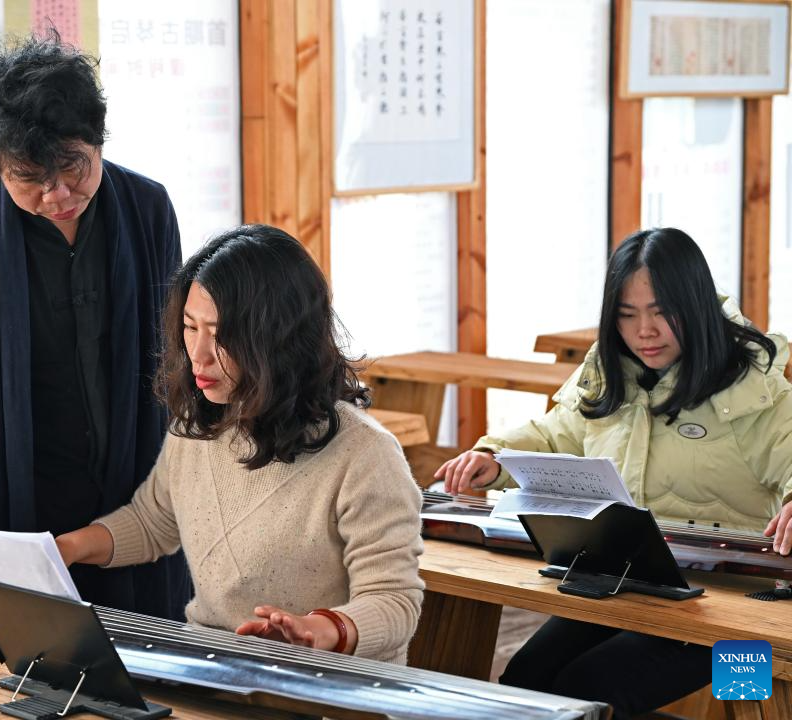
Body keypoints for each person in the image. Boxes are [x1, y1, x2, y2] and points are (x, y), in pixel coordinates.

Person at [0, 33, 190, 620]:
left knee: (155, 691)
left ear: (96, 139)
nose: (57, 194)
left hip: (137, 509)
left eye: (73, 166)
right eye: (30, 176)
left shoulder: (149, 211)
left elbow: (177, 359)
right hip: (13, 512)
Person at [436, 227, 792, 718]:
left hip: (741, 615)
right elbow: (556, 431)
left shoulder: (752, 384)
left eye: (661, 312)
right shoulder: (611, 373)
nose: (643, 331)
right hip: (633, 582)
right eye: (626, 316)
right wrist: (494, 455)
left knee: (591, 694)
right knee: (525, 683)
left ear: (694, 304)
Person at [55, 224, 425, 663]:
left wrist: (317, 631)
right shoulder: (199, 426)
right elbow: (154, 521)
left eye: (222, 333)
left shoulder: (366, 453)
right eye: (191, 328)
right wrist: (66, 548)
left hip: (331, 689)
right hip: (216, 670)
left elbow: (394, 602)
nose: (199, 353)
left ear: (280, 339)